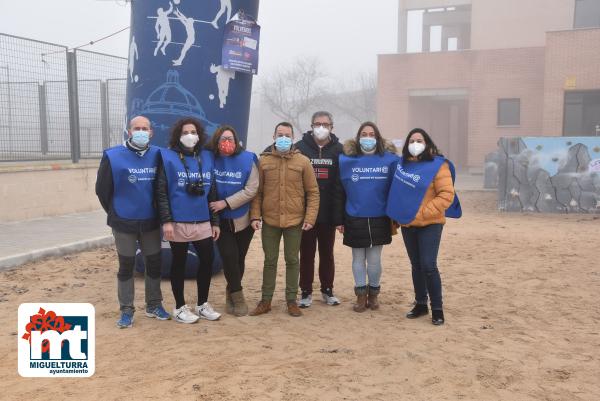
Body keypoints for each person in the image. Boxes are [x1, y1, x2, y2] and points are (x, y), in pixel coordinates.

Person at [96, 115, 170, 328]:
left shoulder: (159, 155)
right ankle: (127, 309)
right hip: (123, 221)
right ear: (129, 131)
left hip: (150, 221)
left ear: (151, 132)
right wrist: (115, 212)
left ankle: (154, 305)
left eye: (145, 128)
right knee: (126, 266)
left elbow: (163, 187)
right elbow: (102, 190)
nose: (141, 131)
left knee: (154, 263)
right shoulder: (112, 156)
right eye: (136, 128)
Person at [386, 128, 461, 326]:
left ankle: (437, 308)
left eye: (419, 140)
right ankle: (421, 304)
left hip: (430, 223)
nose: (415, 143)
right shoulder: (403, 166)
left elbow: (446, 195)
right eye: (412, 140)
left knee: (429, 265)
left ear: (427, 143)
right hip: (408, 224)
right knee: (416, 265)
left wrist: (421, 213)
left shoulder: (438, 166)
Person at [249, 122, 320, 317]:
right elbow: (257, 192)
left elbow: (313, 192)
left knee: (292, 260)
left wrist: (310, 217)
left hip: (294, 221)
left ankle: (291, 300)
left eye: (287, 135)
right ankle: (266, 300)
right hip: (270, 220)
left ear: (292, 138)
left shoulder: (303, 162)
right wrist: (255, 215)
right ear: (273, 136)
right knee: (270, 260)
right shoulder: (263, 161)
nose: (283, 138)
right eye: (280, 134)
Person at [155, 117, 221, 324]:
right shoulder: (167, 157)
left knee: (207, 260)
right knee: (179, 263)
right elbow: (161, 192)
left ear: (199, 134)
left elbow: (212, 192)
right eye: (185, 132)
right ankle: (180, 307)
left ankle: (202, 304)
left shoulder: (207, 157)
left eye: (193, 131)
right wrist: (166, 221)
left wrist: (215, 221)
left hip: (202, 221)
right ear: (178, 135)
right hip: (178, 221)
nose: (190, 135)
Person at [335, 122, 399, 313]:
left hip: (380, 217)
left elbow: (397, 190)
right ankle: (360, 296)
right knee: (357, 258)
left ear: (377, 137)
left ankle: (374, 294)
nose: (368, 137)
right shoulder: (346, 160)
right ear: (358, 137)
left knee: (374, 259)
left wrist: (396, 215)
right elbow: (340, 192)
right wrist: (339, 219)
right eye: (364, 134)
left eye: (371, 134)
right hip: (354, 216)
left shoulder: (390, 160)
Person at [207, 125, 258, 317]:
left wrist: (226, 203)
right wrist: (218, 208)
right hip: (220, 221)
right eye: (223, 139)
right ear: (217, 141)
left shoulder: (248, 159)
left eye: (230, 138)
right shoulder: (209, 158)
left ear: (236, 141)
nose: (227, 142)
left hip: (243, 219)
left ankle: (230, 291)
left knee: (239, 259)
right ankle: (238, 296)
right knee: (228, 257)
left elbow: (252, 189)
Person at [294, 111, 344, 308]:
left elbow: (342, 184)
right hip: (305, 212)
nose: (321, 127)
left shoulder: (339, 150)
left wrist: (339, 216)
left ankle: (327, 290)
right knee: (306, 253)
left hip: (329, 212)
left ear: (332, 126)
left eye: (325, 124)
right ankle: (305, 292)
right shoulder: (299, 147)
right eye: (317, 123)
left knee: (327, 253)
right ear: (311, 125)